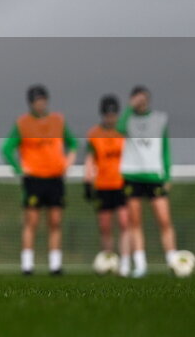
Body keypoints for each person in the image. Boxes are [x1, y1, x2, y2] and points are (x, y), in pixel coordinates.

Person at [1, 85, 77, 275]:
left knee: (55, 221)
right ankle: (27, 265)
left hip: (55, 178)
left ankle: (55, 265)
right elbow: (6, 149)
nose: (40, 103)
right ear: (31, 103)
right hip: (34, 179)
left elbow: (74, 143)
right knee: (31, 222)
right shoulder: (22, 123)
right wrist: (19, 168)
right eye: (36, 100)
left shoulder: (58, 121)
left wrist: (67, 162)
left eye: (42, 99)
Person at [119, 85, 177, 277]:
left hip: (154, 176)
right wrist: (129, 107)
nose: (140, 101)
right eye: (136, 98)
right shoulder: (127, 119)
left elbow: (166, 148)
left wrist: (167, 174)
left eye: (143, 98)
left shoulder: (160, 119)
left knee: (164, 219)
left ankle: (173, 261)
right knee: (134, 222)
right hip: (132, 176)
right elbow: (118, 129)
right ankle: (140, 264)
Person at [83, 94, 131, 275]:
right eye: (107, 114)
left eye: (113, 114)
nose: (110, 118)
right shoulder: (94, 134)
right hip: (102, 185)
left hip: (122, 184)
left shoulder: (123, 133)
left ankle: (125, 263)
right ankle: (109, 260)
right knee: (105, 226)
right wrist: (87, 182)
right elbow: (90, 160)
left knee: (125, 222)